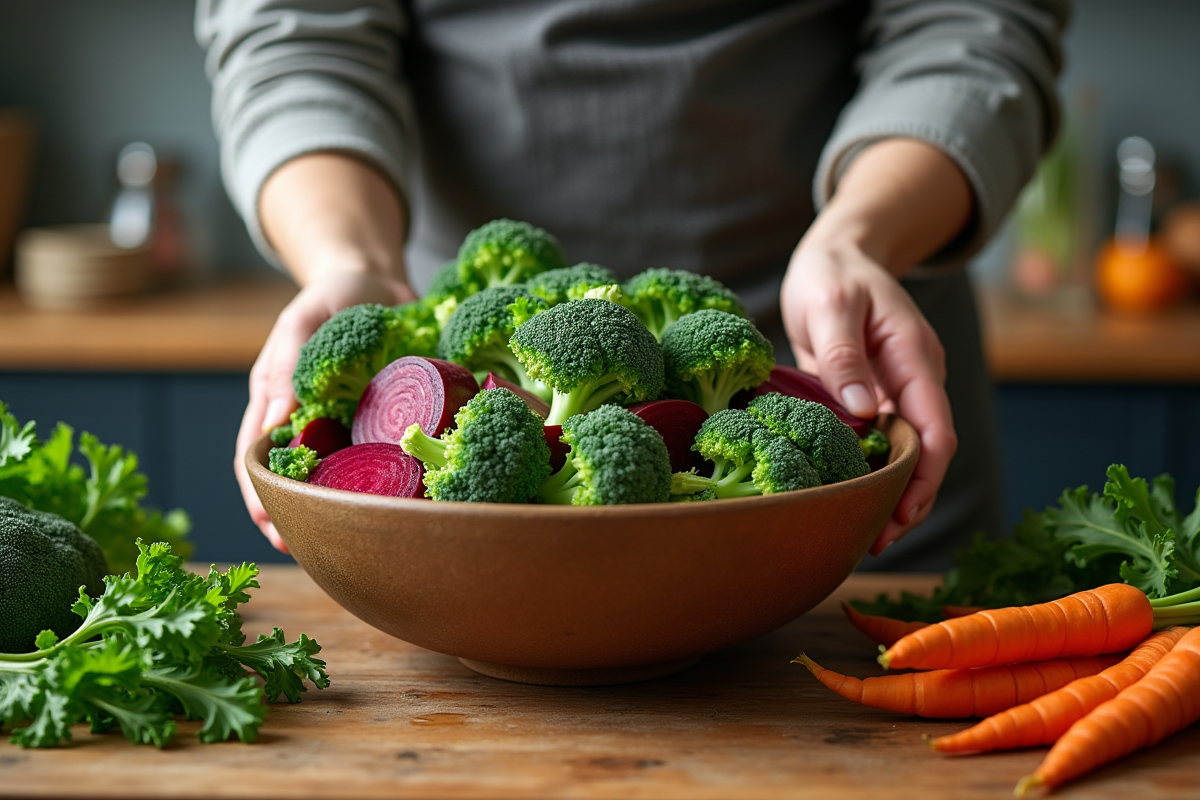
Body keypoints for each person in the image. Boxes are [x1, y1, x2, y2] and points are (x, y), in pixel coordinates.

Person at [197, 0, 1067, 570]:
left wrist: (860, 236)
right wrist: (348, 259)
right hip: (451, 389)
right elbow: (295, 37)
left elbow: (970, 24)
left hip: (832, 377)